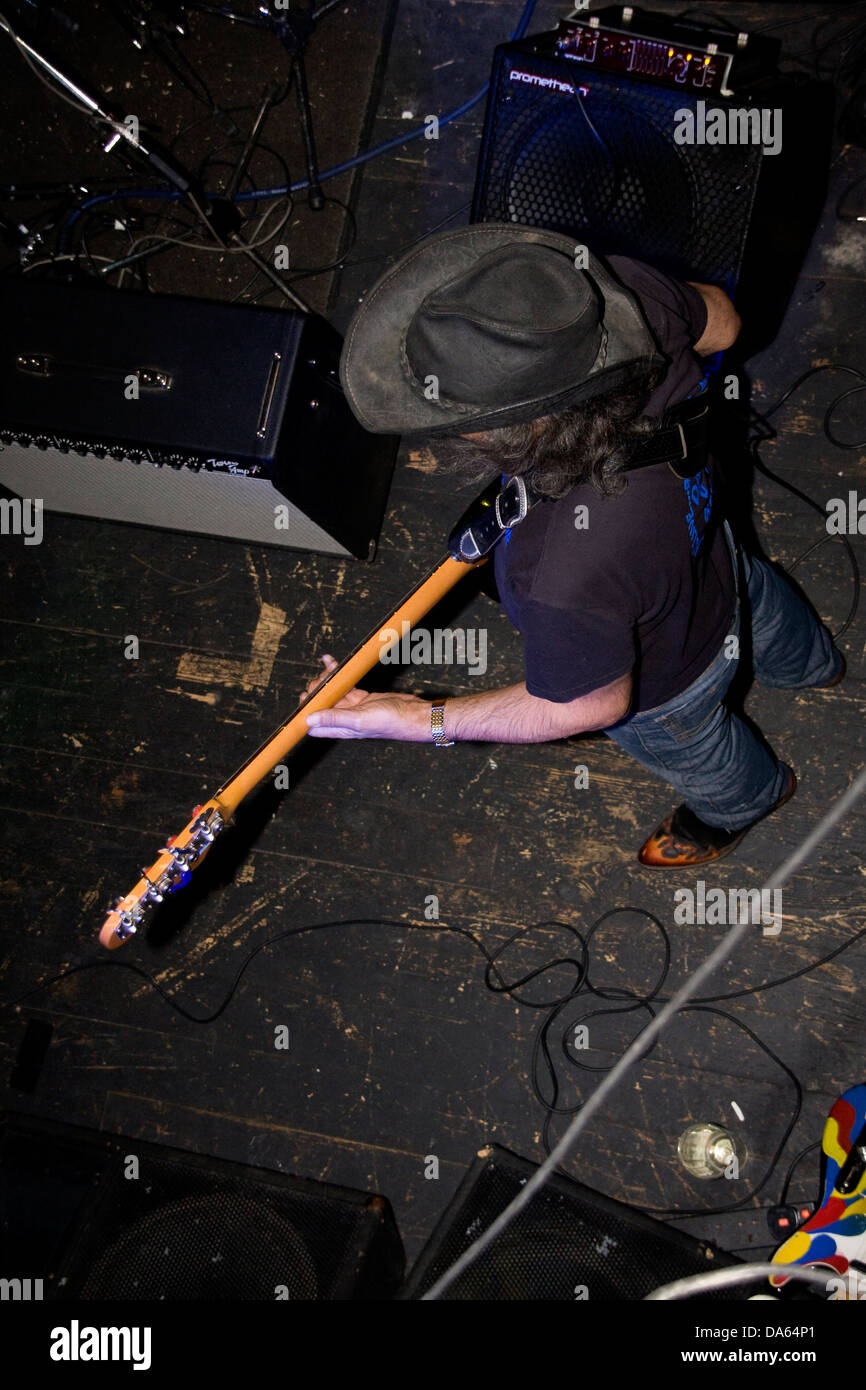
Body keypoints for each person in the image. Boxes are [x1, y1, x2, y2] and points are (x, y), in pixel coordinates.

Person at [302, 224, 843, 867]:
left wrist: (424, 719)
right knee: (759, 597)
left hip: (670, 684)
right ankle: (814, 667)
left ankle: (750, 800)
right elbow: (721, 323)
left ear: (488, 433)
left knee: (702, 752)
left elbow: (592, 702)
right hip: (716, 557)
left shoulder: (556, 575)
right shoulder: (614, 297)